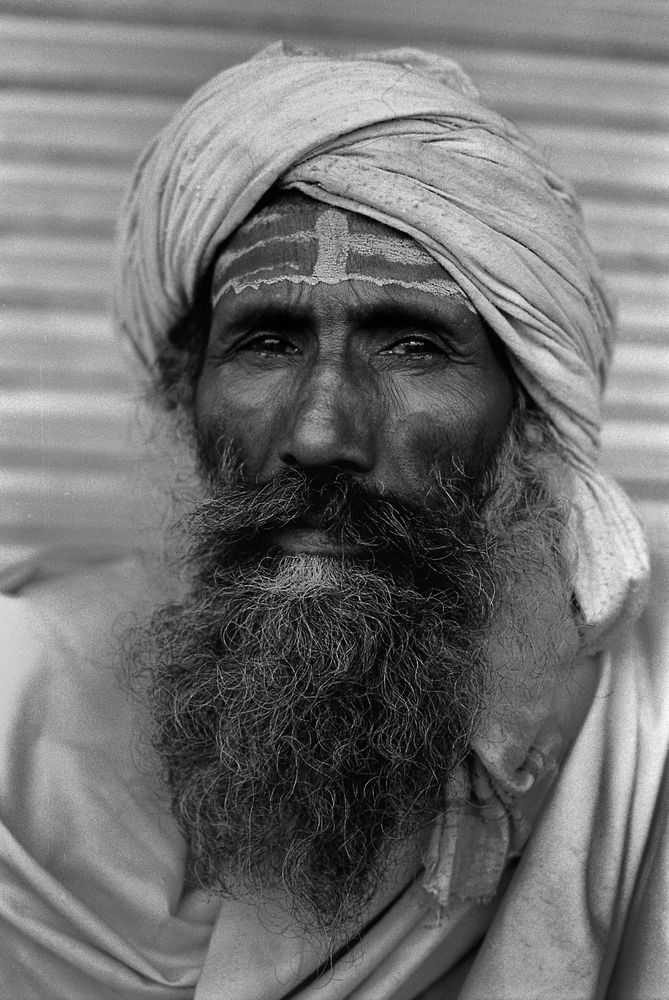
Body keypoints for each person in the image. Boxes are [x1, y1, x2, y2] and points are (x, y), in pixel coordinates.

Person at [0, 42, 666, 1000]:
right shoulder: (21, 698)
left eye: (413, 347)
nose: (319, 432)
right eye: (266, 342)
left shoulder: (632, 735)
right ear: (187, 399)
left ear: (524, 420)